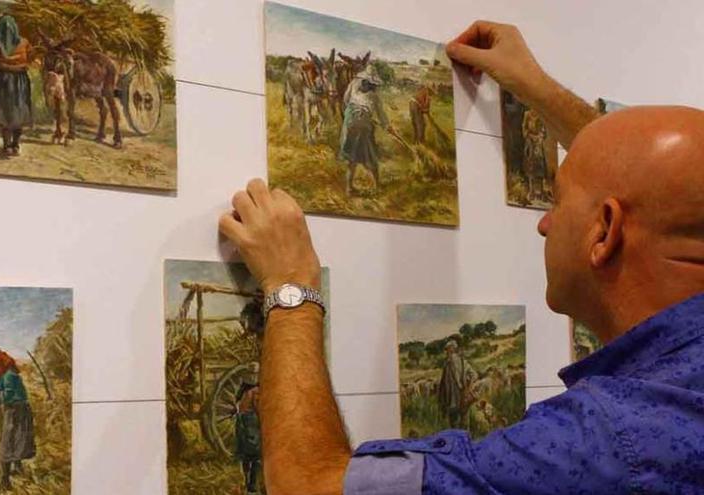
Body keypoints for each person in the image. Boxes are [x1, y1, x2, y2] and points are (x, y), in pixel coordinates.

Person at [218, 19, 704, 495]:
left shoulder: (602, 442)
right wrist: (536, 88)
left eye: (555, 200)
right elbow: (668, 188)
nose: (544, 222)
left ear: (605, 231)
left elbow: (312, 487)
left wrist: (290, 285)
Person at [0, 349, 36, 490]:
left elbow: (7, 396)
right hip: (14, 411)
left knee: (8, 443)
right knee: (15, 440)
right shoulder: (2, 376)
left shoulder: (10, 376)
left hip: (18, 411)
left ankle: (5, 482)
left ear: (0, 363)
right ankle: (17, 468)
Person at [339, 66, 395, 196]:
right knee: (369, 156)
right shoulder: (374, 96)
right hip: (361, 126)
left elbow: (346, 100)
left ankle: (349, 188)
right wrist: (386, 126)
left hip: (349, 122)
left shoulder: (353, 84)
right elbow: (381, 114)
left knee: (351, 158)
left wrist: (356, 112)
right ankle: (377, 187)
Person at [0, 15, 33, 157]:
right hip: (21, 81)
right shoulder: (24, 42)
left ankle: (7, 147)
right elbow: (30, 59)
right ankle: (16, 145)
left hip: (2, 80)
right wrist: (20, 65)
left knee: (4, 111)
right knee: (18, 110)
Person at [436, 339, 475, 428]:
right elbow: (443, 383)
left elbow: (473, 374)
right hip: (450, 399)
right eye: (446, 350)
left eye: (448, 349)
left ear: (453, 349)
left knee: (463, 422)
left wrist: (468, 389)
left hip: (461, 395)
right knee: (454, 422)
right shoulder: (447, 364)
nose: (446, 352)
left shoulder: (462, 362)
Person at [235, 379, 262, 495]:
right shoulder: (256, 391)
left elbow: (238, 408)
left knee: (244, 454)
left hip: (240, 421)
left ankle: (246, 481)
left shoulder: (243, 392)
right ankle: (252, 485)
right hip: (251, 420)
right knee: (256, 455)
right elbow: (257, 408)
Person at [521, 107, 548, 202]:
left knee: (540, 167)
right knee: (530, 166)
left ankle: (540, 191)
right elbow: (524, 129)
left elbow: (544, 131)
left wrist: (540, 137)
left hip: (538, 144)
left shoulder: (541, 115)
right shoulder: (527, 114)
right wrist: (530, 136)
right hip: (530, 143)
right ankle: (531, 191)